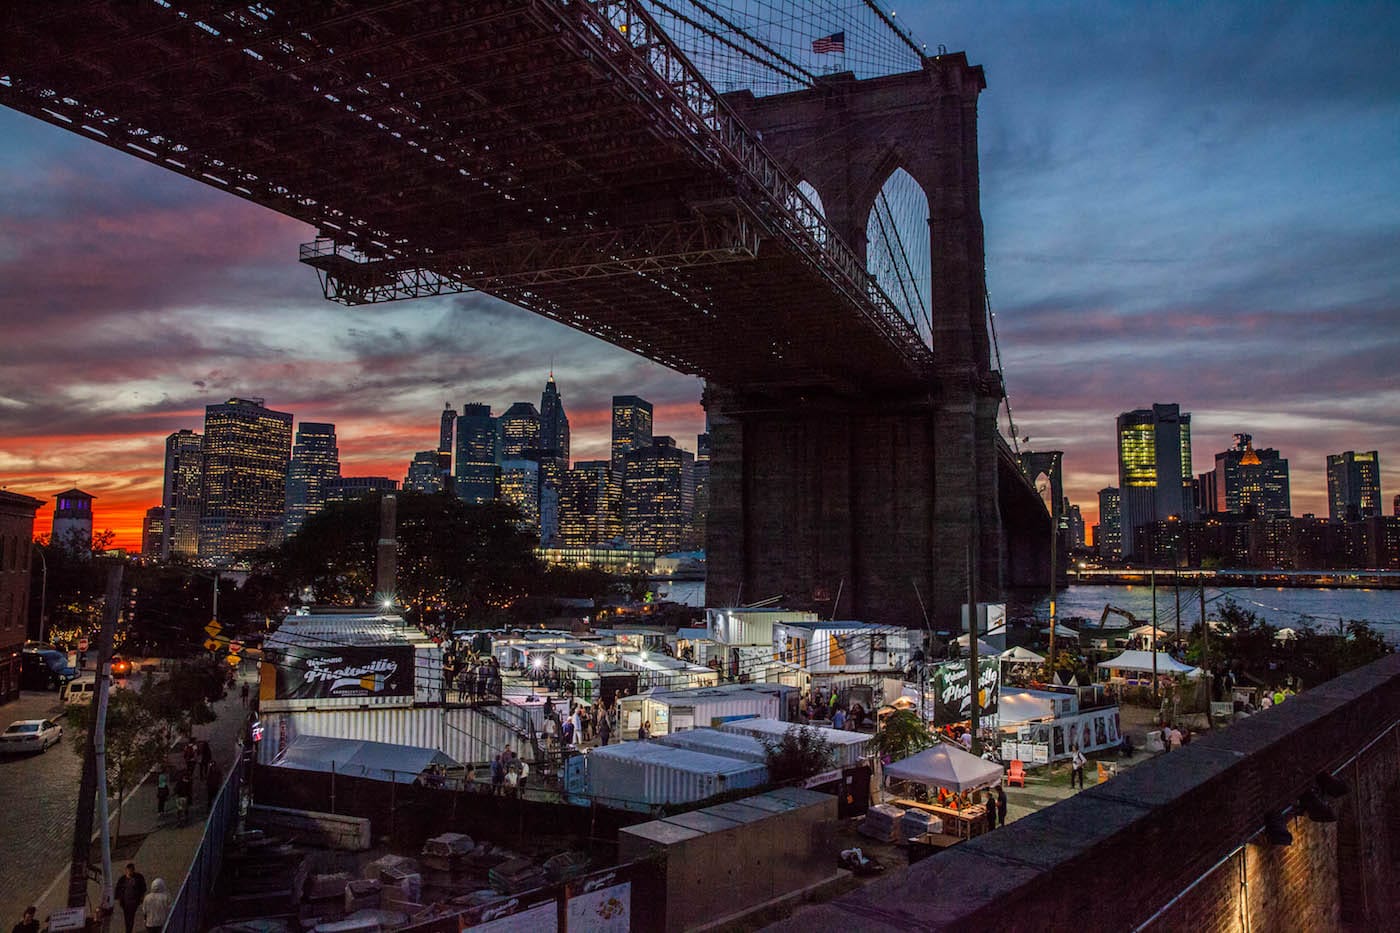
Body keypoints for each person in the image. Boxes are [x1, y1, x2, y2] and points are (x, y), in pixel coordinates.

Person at [114, 863, 147, 933]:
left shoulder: (138, 877)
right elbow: (118, 889)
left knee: (131, 917)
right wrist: (119, 899)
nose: (130, 872)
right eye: (129, 870)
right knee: (127, 917)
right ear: (126, 870)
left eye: (131, 870)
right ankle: (128, 930)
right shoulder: (122, 879)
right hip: (125, 902)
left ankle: (129, 930)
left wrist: (141, 897)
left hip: (134, 902)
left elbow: (143, 888)